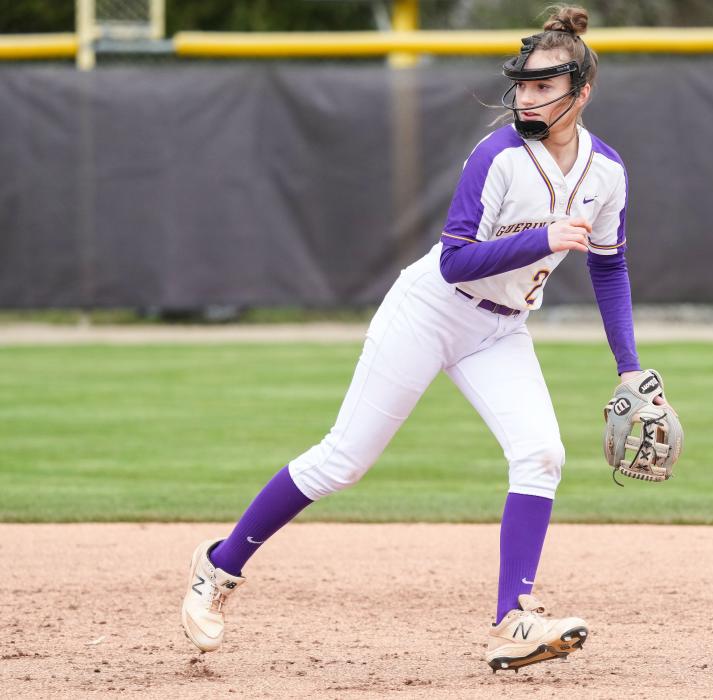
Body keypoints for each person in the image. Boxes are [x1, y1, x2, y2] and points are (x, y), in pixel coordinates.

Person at [182, 3, 656, 672]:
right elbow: (455, 258)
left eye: (545, 85)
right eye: (522, 82)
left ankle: (513, 618)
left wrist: (628, 366)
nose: (528, 94)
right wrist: (541, 240)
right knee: (342, 461)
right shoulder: (497, 157)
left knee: (542, 454)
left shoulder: (606, 172)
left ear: (582, 91)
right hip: (430, 310)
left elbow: (610, 266)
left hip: (499, 329)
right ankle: (218, 569)